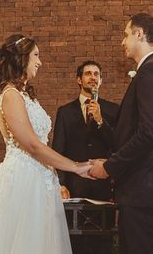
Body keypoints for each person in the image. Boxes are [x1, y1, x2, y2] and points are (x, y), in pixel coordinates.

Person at [0, 34, 93, 253]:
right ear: (21, 59)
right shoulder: (10, 95)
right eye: (36, 55)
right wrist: (75, 167)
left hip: (40, 180)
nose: (40, 62)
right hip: (21, 182)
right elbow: (33, 146)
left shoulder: (26, 95)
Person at [89, 13, 153, 254]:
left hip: (145, 188)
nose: (123, 42)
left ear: (140, 34)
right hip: (145, 188)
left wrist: (110, 166)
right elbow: (132, 133)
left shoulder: (152, 71)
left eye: (126, 34)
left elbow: (150, 133)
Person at [52, 61, 119, 254]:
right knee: (74, 241)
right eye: (88, 73)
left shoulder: (113, 110)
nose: (93, 77)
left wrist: (100, 120)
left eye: (97, 74)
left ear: (101, 80)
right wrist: (61, 183)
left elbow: (118, 145)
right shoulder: (65, 112)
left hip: (103, 187)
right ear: (79, 80)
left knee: (102, 242)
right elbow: (58, 149)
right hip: (73, 188)